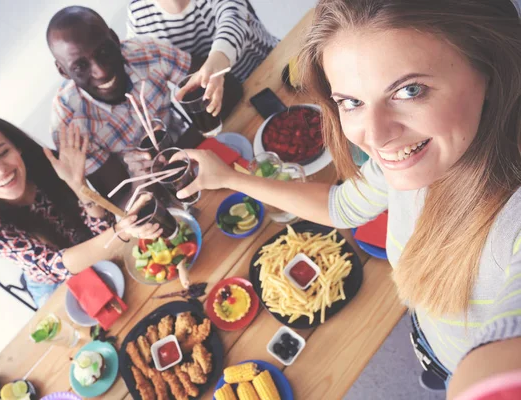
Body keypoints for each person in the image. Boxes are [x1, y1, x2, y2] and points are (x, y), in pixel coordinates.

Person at [174, 0, 521, 397]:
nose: (373, 136)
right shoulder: (410, 160)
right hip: (434, 341)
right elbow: (340, 206)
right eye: (351, 102)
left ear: (490, 69)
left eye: (410, 90)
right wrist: (226, 176)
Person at [0, 114, 162, 307]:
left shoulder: (47, 165)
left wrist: (78, 185)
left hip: (98, 247)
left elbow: (99, 230)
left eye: (3, 152)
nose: (0, 170)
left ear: (17, 147)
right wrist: (120, 232)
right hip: (56, 284)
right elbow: (56, 266)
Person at [47, 6, 194, 201]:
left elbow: (221, 87)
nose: (102, 72)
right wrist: (141, 178)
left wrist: (184, 154)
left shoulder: (146, 52)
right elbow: (121, 201)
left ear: (115, 39)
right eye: (80, 65)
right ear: (63, 71)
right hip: (149, 197)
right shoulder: (69, 121)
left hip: (191, 151)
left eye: (104, 51)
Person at [126, 0, 278, 107]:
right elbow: (141, 69)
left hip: (267, 66)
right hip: (225, 100)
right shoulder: (138, 14)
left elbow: (233, 17)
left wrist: (214, 66)